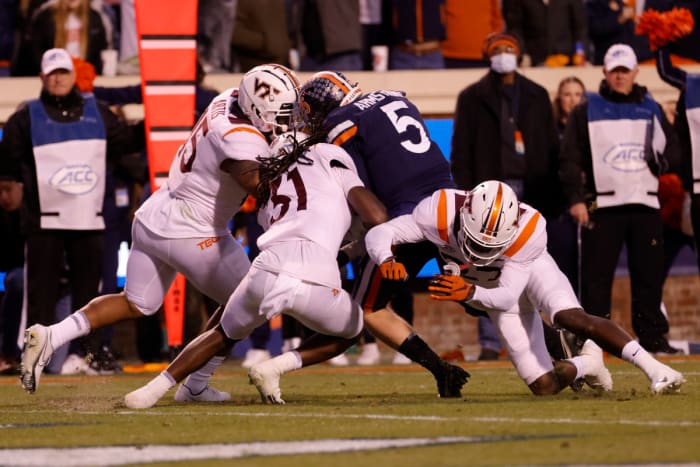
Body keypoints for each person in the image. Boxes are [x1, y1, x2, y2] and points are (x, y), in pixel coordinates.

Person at [18, 63, 301, 399]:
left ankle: (52, 335)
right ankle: (194, 385)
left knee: (136, 303)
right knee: (251, 302)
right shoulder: (239, 136)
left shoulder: (229, 98)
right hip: (193, 230)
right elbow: (259, 187)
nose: (285, 120)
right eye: (280, 113)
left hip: (156, 213)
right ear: (256, 106)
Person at [247, 71, 470, 403]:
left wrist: (347, 252)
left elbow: (370, 208)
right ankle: (556, 342)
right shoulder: (395, 97)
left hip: (407, 219)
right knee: (480, 293)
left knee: (367, 307)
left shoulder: (341, 123)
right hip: (450, 205)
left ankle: (442, 371)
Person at [123, 130, 388, 409]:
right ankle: (275, 368)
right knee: (354, 327)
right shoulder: (328, 157)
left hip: (265, 268)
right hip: (312, 273)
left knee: (220, 334)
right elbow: (377, 216)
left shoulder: (267, 190)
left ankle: (152, 390)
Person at [364, 180, 686, 395]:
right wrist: (386, 258)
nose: (480, 251)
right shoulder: (439, 211)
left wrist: (468, 292)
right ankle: (588, 362)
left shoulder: (529, 229)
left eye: (489, 245)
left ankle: (655, 368)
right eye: (476, 241)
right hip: (487, 286)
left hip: (523, 272)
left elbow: (507, 296)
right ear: (464, 215)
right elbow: (380, 234)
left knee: (569, 317)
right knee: (543, 386)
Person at [1, 48, 144, 368]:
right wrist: (8, 185)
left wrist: (159, 119)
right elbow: (7, 155)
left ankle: (87, 355)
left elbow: (128, 141)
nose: (57, 79)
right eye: (51, 73)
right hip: (43, 222)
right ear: (42, 77)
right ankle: (34, 356)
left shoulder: (99, 112)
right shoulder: (26, 116)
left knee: (89, 296)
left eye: (62, 72)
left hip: (88, 220)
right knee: (39, 295)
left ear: (72, 76)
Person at [560, 43, 682, 355]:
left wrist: (662, 163)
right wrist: (576, 199)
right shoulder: (584, 109)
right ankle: (594, 340)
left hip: (646, 203)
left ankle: (653, 337)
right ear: (604, 72)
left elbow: (672, 152)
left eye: (624, 71)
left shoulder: (652, 107)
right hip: (598, 204)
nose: (619, 76)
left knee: (649, 277)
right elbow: (570, 159)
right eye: (614, 70)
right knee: (596, 278)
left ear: (635, 72)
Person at [450, 32, 561, 360]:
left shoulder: (537, 95)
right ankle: (489, 339)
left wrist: (553, 195)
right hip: (489, 195)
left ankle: (547, 337)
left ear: (519, 52)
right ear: (487, 55)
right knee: (486, 266)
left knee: (532, 264)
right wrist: (468, 193)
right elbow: (461, 150)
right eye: (497, 50)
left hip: (531, 189)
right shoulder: (472, 97)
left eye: (508, 49)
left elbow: (551, 147)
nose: (503, 54)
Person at [505, 0, 588, 67]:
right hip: (533, 61)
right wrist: (523, 54)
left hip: (566, 60)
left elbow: (580, 28)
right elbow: (515, 28)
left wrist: (580, 52)